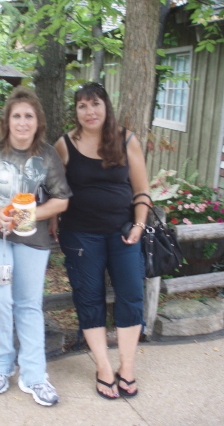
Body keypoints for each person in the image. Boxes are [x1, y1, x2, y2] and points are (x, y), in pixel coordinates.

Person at [0, 86, 72, 406]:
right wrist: (1, 213)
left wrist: (27, 214)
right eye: (17, 116)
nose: (22, 122)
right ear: (7, 120)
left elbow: (61, 200)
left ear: (38, 122)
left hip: (32, 238)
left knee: (28, 303)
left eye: (29, 116)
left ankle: (34, 374)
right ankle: (2, 363)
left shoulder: (47, 154)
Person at [53, 82, 150, 400]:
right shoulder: (65, 145)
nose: (89, 111)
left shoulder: (126, 140)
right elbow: (53, 189)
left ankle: (127, 365)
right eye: (82, 106)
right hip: (79, 235)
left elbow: (141, 191)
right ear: (76, 112)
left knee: (131, 295)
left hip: (124, 233)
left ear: (106, 106)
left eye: (94, 103)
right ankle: (104, 367)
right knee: (89, 298)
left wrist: (138, 225)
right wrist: (53, 221)